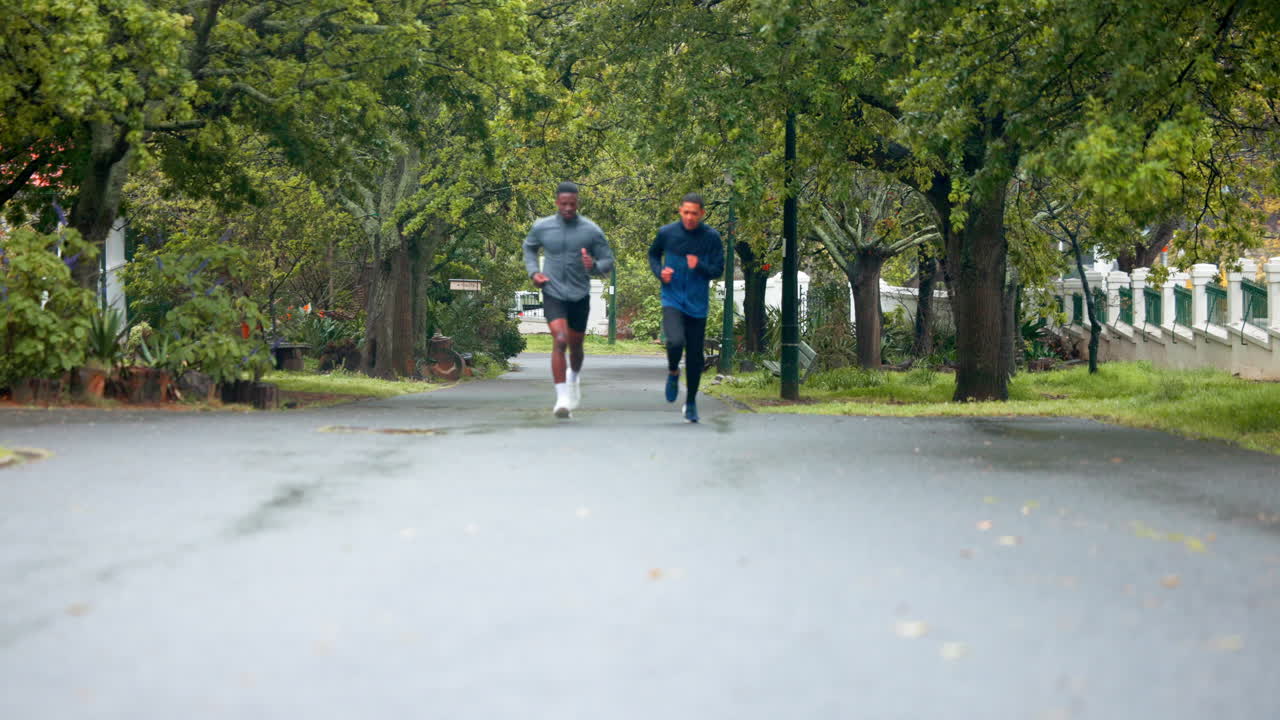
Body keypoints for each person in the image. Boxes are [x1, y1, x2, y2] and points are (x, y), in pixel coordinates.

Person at [523, 181, 615, 418]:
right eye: (563, 204)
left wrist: (593, 266)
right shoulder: (542, 227)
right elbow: (529, 248)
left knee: (575, 346)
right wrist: (534, 272)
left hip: (579, 294)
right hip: (552, 290)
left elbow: (608, 261)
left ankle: (574, 377)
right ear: (557, 203)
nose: (567, 208)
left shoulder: (591, 230)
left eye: (572, 204)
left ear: (577, 203)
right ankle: (562, 398)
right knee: (560, 339)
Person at [648, 192, 724, 423]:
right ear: (680, 211)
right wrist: (660, 273)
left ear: (701, 213)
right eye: (686, 212)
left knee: (694, 357)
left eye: (694, 213)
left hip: (697, 303)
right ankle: (673, 372)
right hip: (672, 298)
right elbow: (653, 254)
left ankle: (690, 402)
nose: (690, 217)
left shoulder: (711, 237)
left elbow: (717, 269)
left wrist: (698, 265)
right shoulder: (667, 233)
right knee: (674, 341)